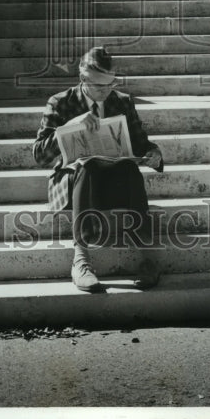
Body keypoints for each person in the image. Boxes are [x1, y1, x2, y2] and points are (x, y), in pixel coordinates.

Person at [33, 46, 164, 292]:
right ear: (83, 79)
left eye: (110, 85)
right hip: (76, 181)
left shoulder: (122, 101)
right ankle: (81, 260)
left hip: (112, 176)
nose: (106, 92)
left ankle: (149, 258)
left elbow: (139, 142)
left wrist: (153, 154)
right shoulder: (60, 103)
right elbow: (40, 155)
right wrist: (70, 126)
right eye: (99, 87)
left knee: (131, 171)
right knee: (88, 166)